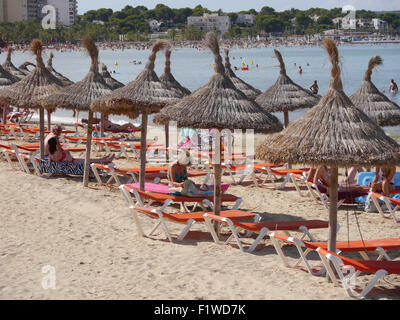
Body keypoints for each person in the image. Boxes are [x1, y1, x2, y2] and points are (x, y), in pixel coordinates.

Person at [45, 125, 114, 163]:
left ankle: (102, 159)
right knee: (82, 160)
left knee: (80, 158)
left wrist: (65, 153)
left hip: (48, 156)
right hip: (55, 158)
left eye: (61, 130)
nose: (60, 132)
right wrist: (65, 156)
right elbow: (58, 153)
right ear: (53, 130)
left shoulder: (49, 135)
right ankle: (103, 160)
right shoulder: (54, 138)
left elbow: (56, 150)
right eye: (58, 130)